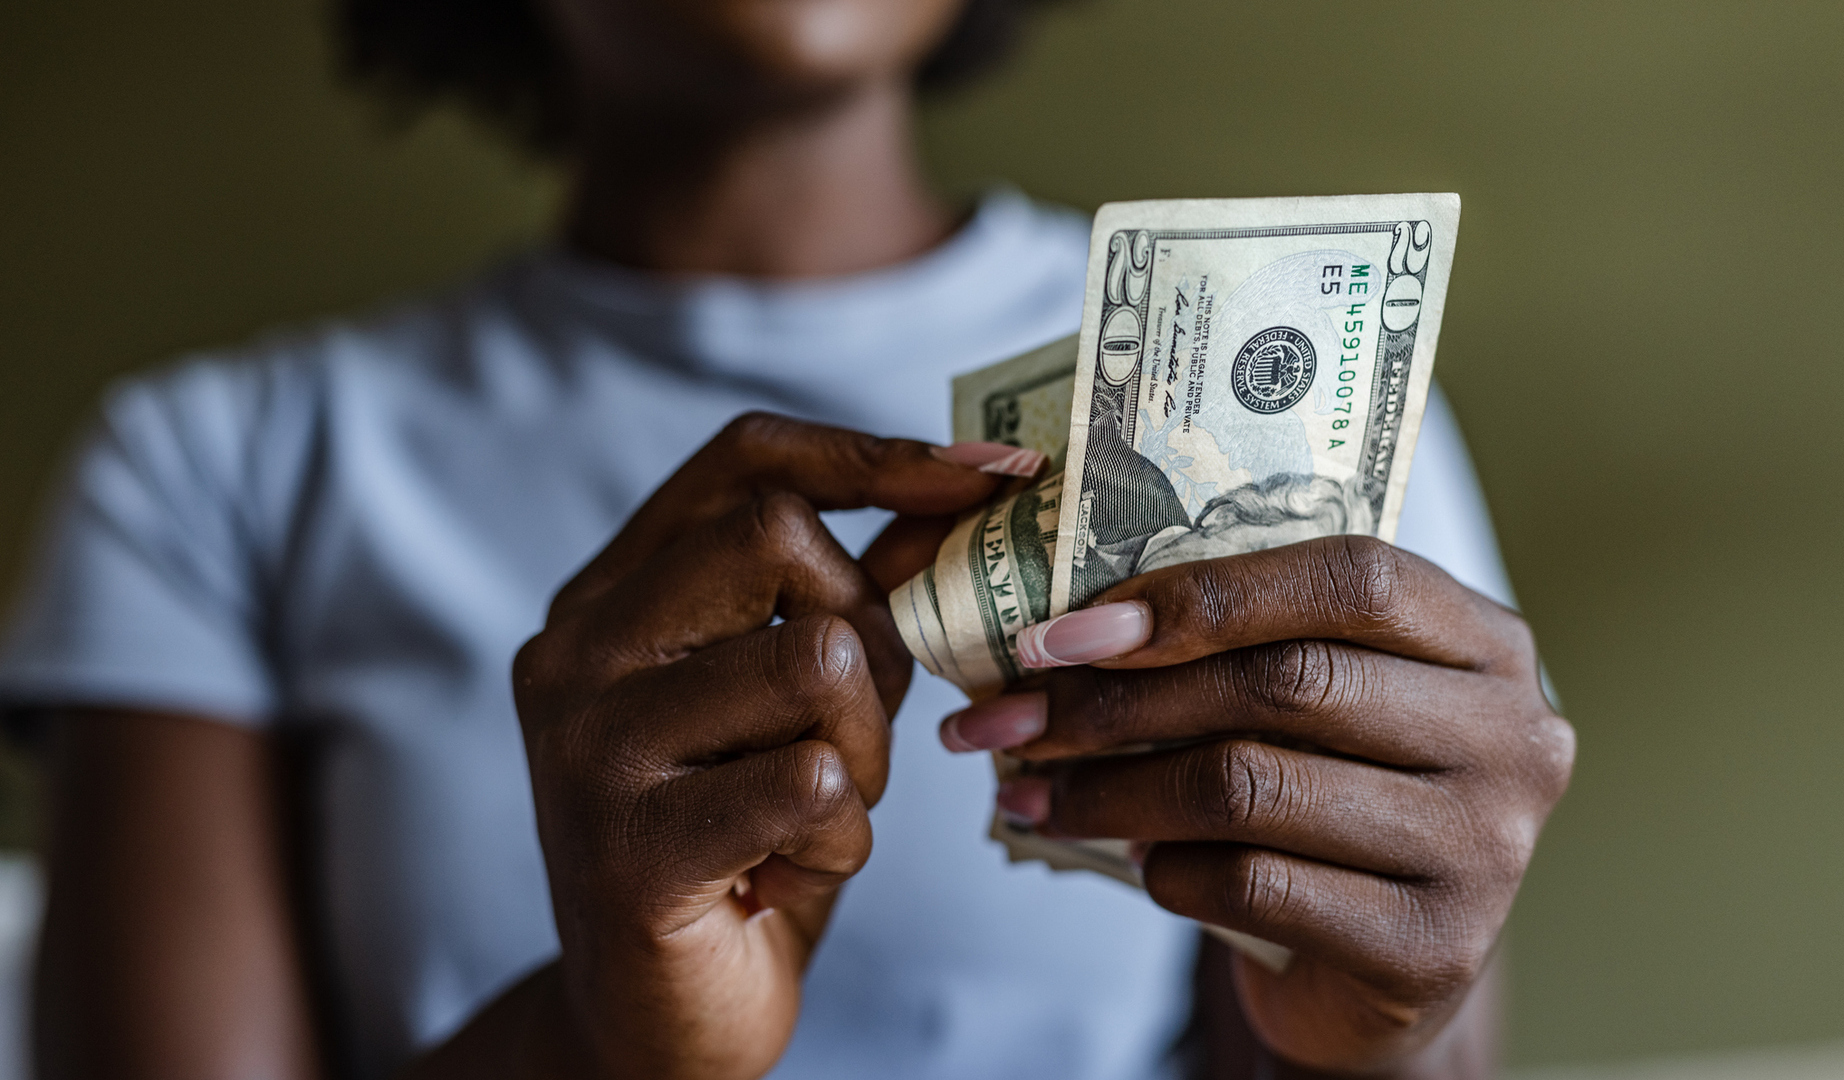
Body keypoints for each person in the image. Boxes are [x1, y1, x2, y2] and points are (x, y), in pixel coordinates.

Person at [0, 0, 1573, 1077]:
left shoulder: (1318, 434)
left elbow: (1336, 1030)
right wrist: (600, 1044)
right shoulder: (214, 470)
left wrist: (1390, 1040)